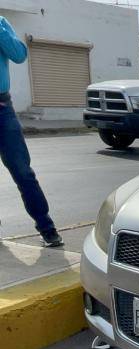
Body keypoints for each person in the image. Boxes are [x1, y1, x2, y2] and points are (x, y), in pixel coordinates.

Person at [0, 16, 62, 247]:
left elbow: (18, 55)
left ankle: (46, 226)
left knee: (22, 171)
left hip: (3, 109)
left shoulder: (2, 23)